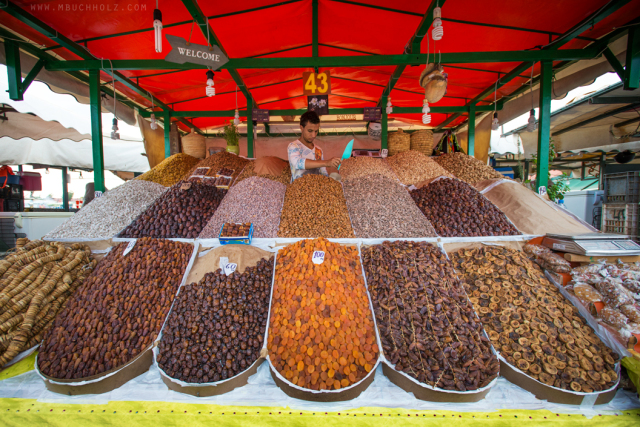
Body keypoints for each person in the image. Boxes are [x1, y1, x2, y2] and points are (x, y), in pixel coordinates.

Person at [287, 111, 342, 182]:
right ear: (301, 127)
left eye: (316, 131)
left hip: (316, 191)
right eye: (310, 131)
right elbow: (297, 163)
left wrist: (330, 182)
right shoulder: (294, 146)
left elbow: (323, 173)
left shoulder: (318, 150)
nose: (313, 135)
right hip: (298, 190)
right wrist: (327, 162)